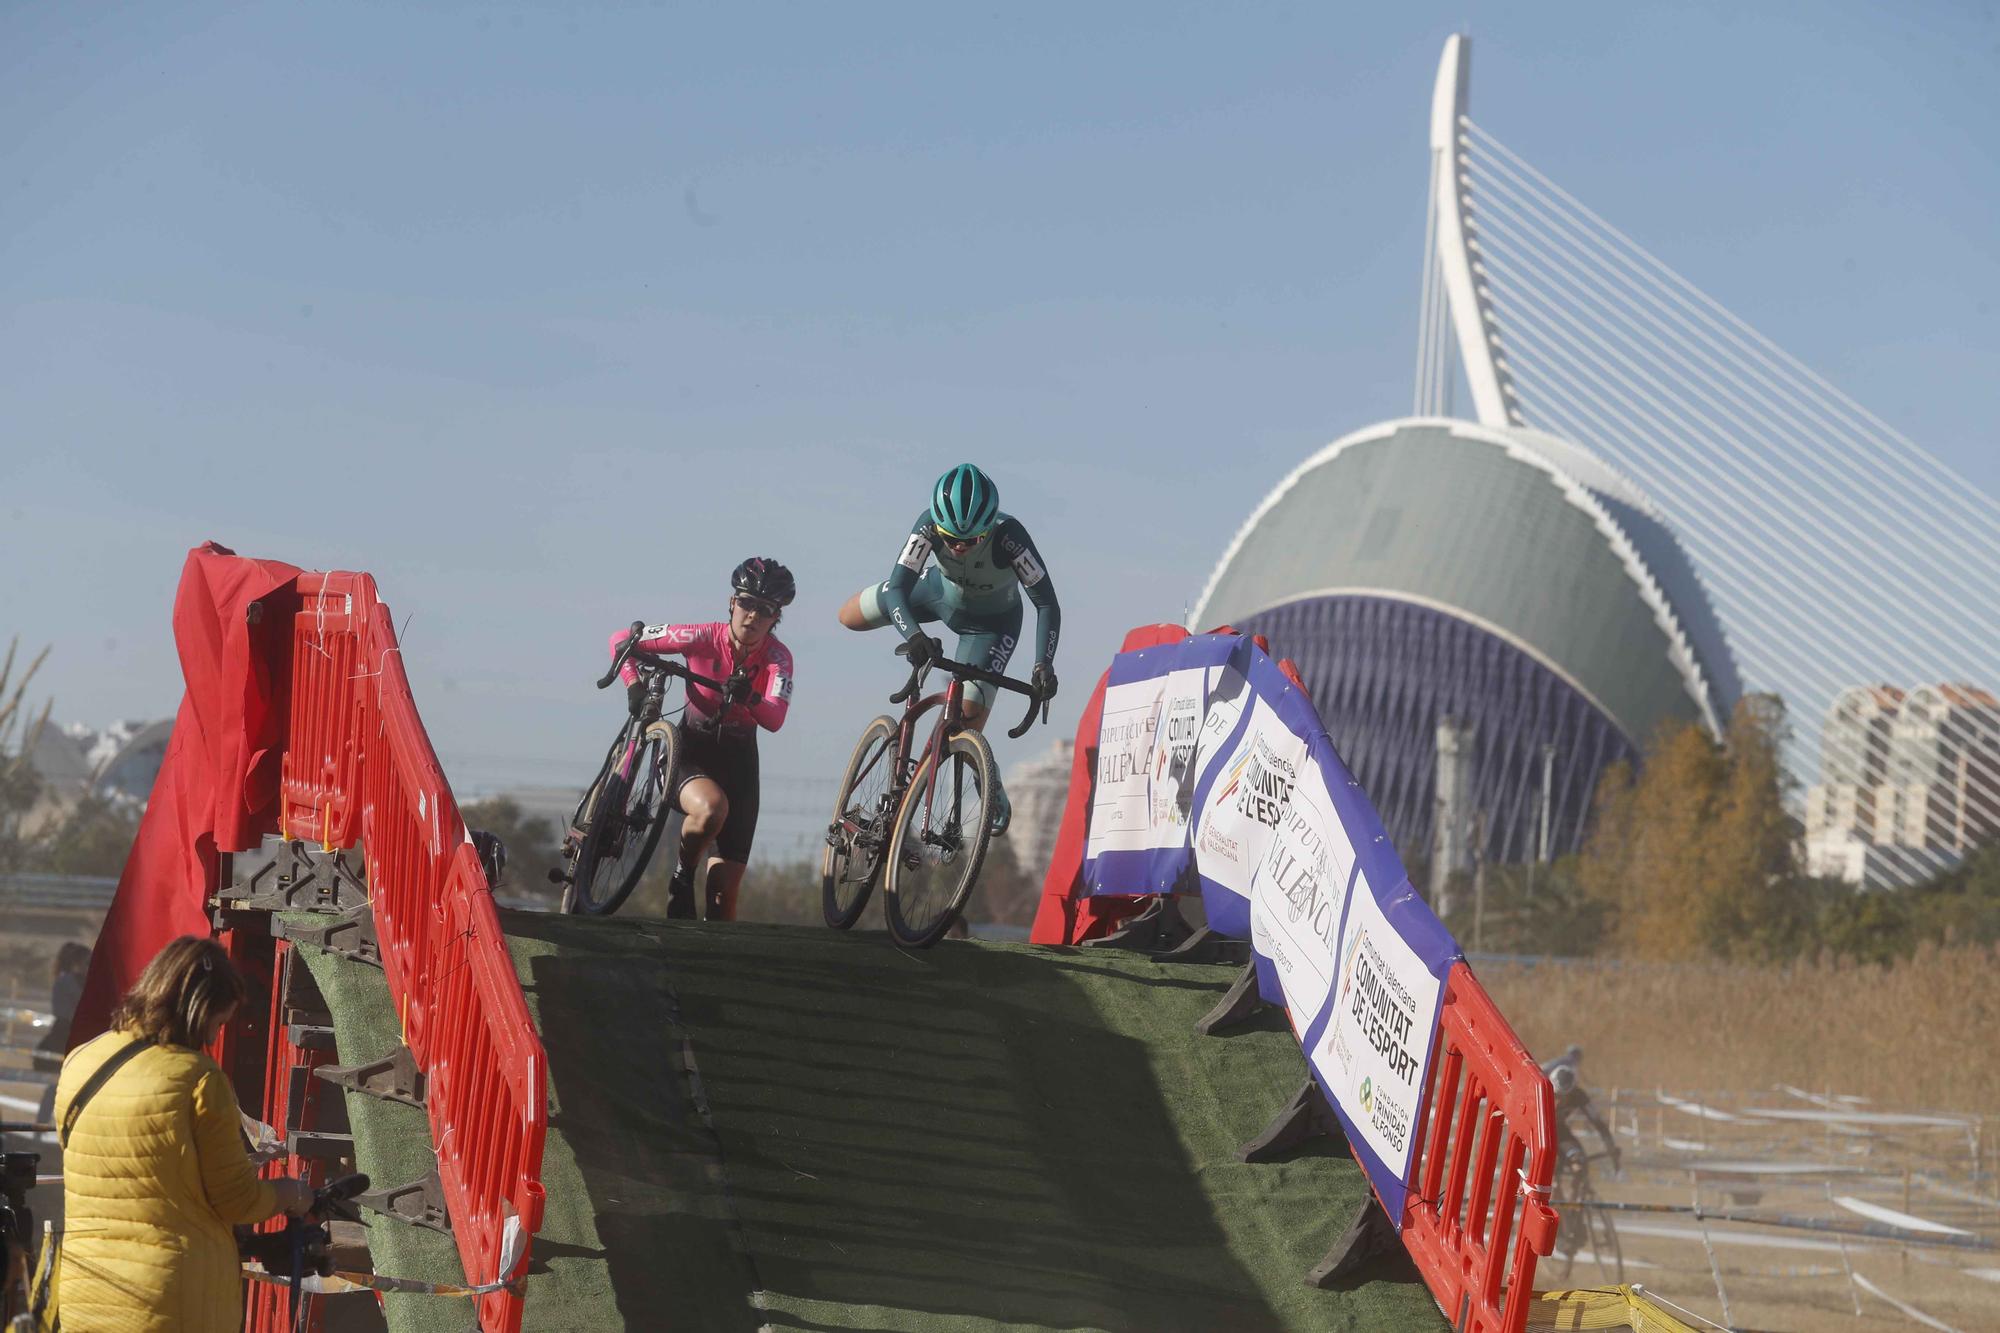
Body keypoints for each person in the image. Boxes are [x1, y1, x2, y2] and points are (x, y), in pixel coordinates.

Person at [52, 935, 312, 1331]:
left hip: (86, 1293)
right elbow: (238, 1201)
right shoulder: (197, 1079)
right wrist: (292, 1194)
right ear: (197, 1010)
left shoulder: (81, 1061)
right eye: (216, 1023)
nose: (212, 1038)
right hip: (168, 1303)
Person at [837, 463, 1060, 833]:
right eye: (949, 538)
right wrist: (912, 634)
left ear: (987, 529)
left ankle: (988, 779)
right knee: (848, 616)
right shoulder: (927, 524)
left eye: (969, 541)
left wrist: (1043, 665)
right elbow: (897, 590)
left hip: (991, 626)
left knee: (966, 720)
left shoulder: (1010, 538)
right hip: (935, 595)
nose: (957, 547)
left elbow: (1047, 603)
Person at [609, 557, 796, 921]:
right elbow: (622, 640)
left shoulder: (778, 658)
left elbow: (775, 718)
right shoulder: (699, 636)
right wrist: (633, 684)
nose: (753, 616)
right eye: (746, 603)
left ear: (776, 618)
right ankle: (682, 877)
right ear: (731, 603)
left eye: (765, 610)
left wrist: (750, 698)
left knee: (722, 903)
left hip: (740, 768)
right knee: (712, 807)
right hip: (690, 753)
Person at [1542, 1044, 1621, 1174]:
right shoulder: (1541, 1091)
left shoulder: (1578, 1095)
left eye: (1564, 1096)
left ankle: (1576, 1188)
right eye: (1556, 1096)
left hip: (1559, 1129)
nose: (1559, 1101)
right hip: (1538, 1130)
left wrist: (1610, 1147)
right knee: (1549, 1162)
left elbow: (1598, 1123)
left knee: (1579, 1161)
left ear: (1572, 1091)